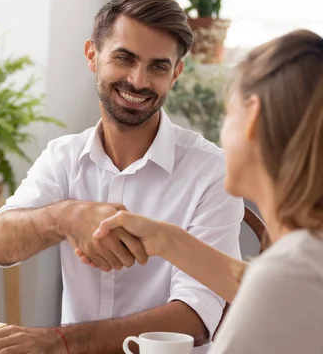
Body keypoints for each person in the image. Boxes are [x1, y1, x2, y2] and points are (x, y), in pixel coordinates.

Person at [0, 0, 244, 354]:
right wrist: (65, 217)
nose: (138, 81)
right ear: (92, 56)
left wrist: (61, 341)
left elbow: (194, 319)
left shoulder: (211, 172)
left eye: (158, 66)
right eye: (124, 58)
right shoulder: (64, 157)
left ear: (176, 73)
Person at [84, 29, 323, 353]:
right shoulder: (306, 257)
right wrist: (166, 239)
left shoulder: (286, 275)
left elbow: (274, 286)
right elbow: (262, 284)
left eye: (228, 112)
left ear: (253, 116)